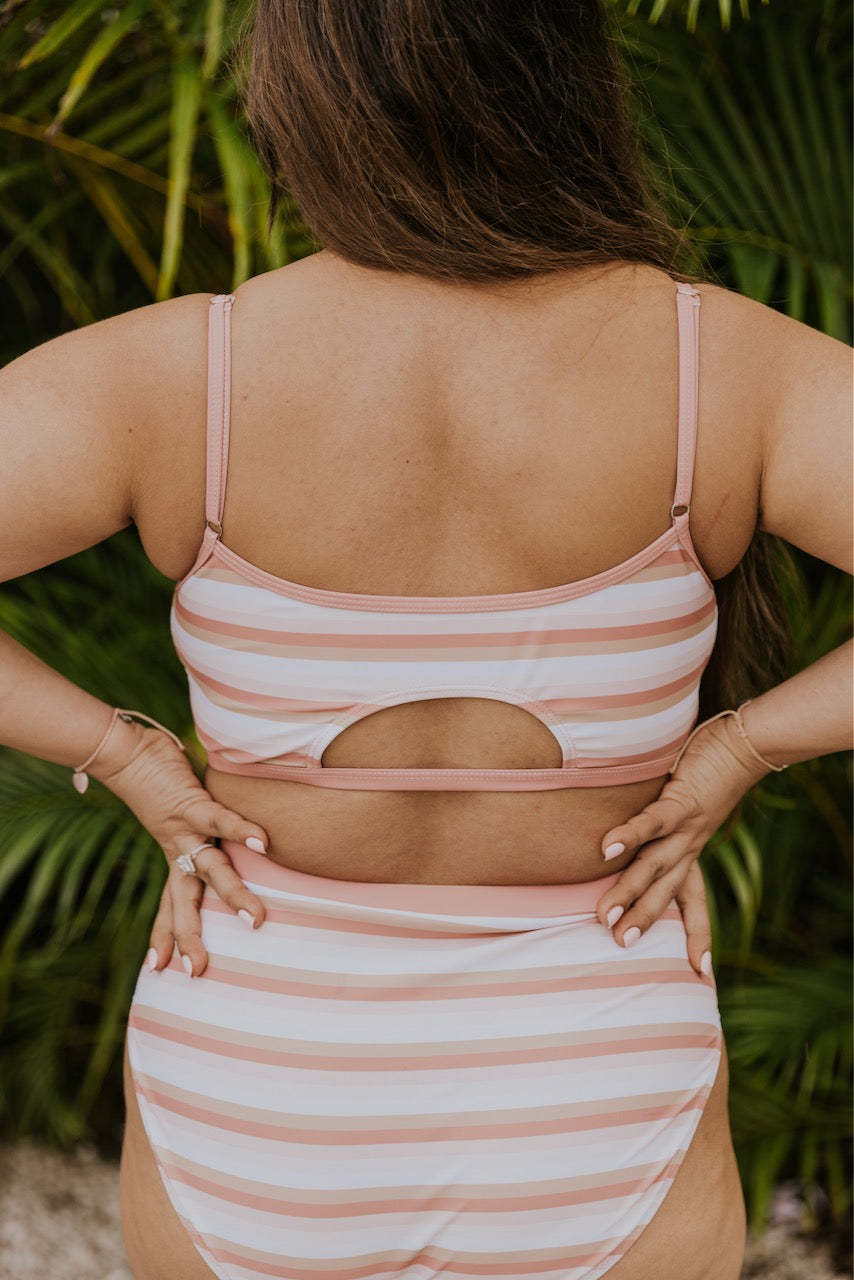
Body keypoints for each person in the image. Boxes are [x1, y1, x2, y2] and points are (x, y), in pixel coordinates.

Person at [1, 2, 851, 1278]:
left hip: (260, 1064)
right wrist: (744, 743)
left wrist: (118, 749)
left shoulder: (176, 373)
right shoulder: (720, 367)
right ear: (568, 85)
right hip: (593, 1053)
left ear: (305, 104)